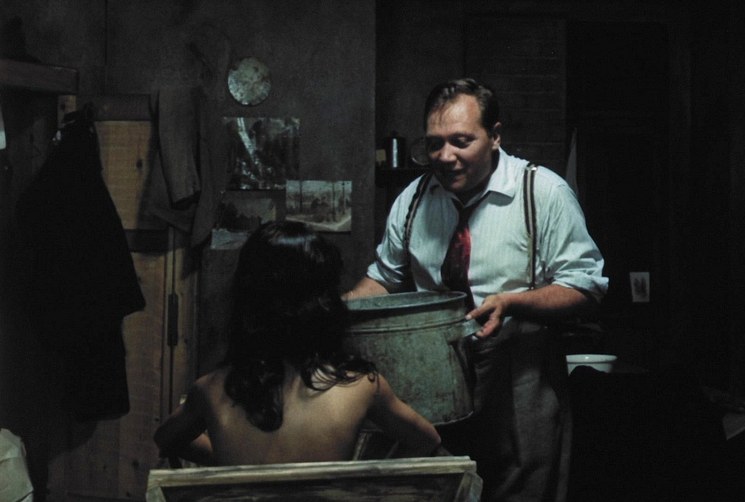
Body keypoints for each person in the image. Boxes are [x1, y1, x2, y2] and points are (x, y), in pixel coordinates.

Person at [347, 78, 608, 501]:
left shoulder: (542, 192)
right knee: (440, 487)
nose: (445, 156)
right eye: (434, 144)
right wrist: (339, 310)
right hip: (431, 382)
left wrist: (513, 303)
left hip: (520, 377)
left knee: (521, 486)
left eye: (461, 141)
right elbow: (384, 278)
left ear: (495, 136)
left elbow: (585, 287)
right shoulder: (413, 199)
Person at [154, 221, 441, 466]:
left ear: (247, 303)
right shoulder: (362, 388)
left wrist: (233, 466)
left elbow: (166, 441)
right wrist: (362, 484)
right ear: (326, 304)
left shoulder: (209, 391)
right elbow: (427, 441)